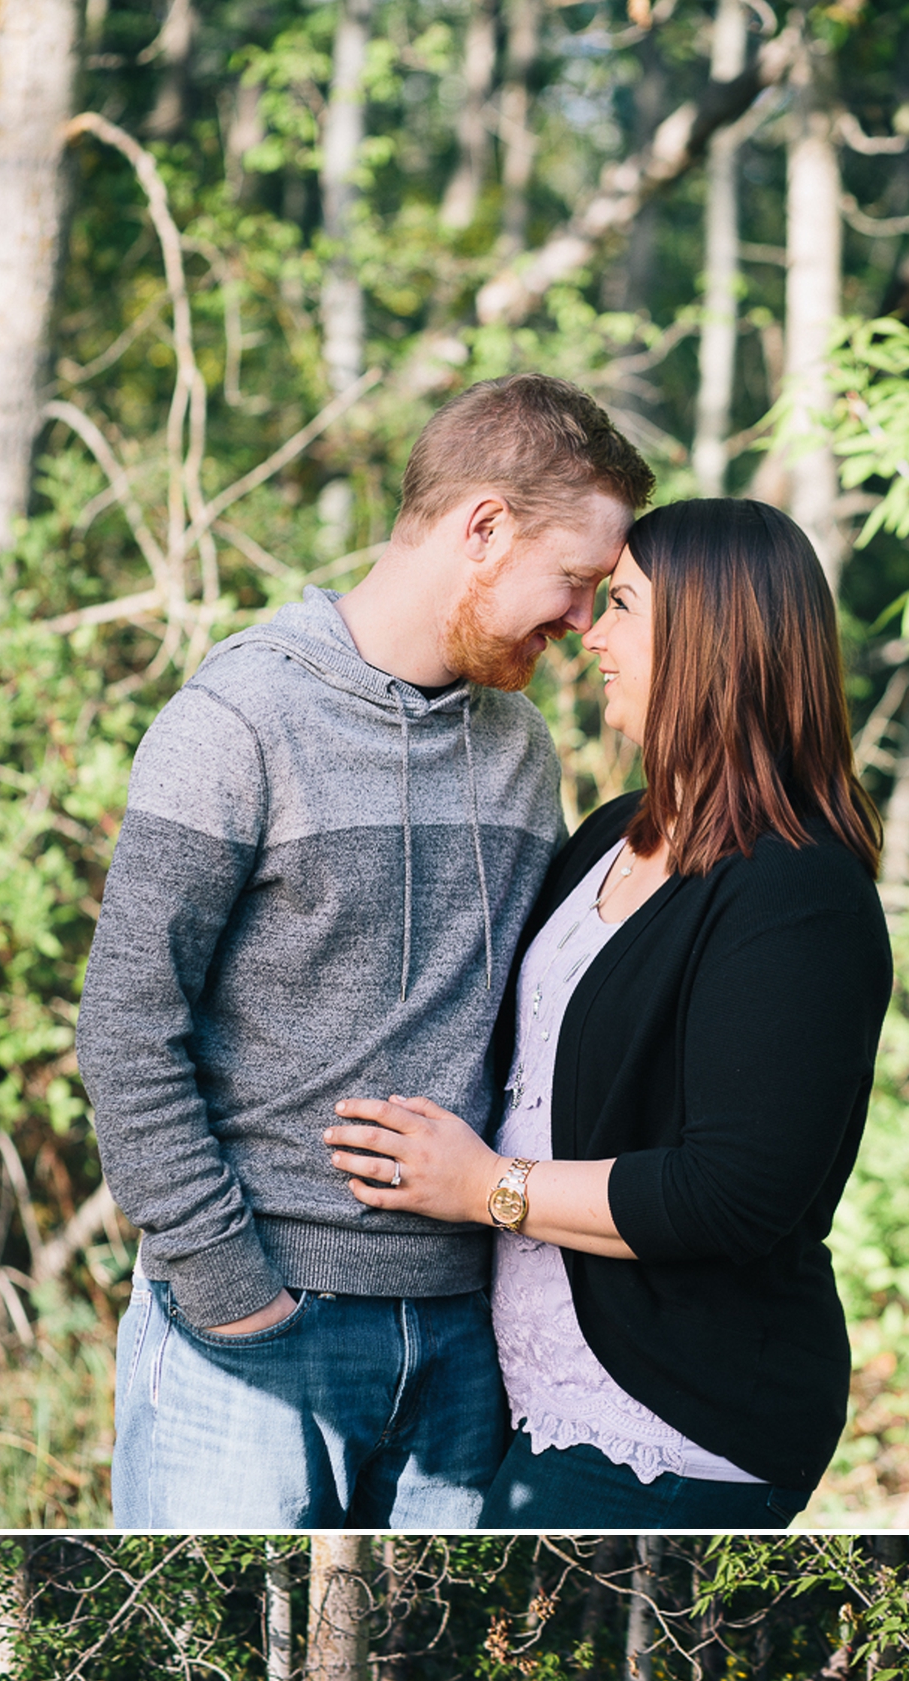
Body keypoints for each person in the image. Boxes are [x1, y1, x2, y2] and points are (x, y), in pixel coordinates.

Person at [77, 375, 653, 1531]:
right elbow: (125, 1025)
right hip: (254, 1336)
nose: (581, 624)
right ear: (481, 528)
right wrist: (232, 1293)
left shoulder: (518, 746)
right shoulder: (238, 718)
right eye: (576, 584)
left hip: (463, 1337)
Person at [323, 499, 892, 1530]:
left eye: (622, 601)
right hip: (525, 1393)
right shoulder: (609, 835)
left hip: (674, 1415)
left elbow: (730, 1194)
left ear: (715, 637)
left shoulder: (795, 890)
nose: (588, 631)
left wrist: (484, 1187)